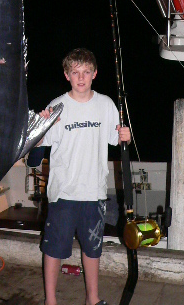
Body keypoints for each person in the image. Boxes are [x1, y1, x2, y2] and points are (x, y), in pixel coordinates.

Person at [37, 47, 131, 305]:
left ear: (95, 74)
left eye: (86, 72)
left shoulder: (106, 104)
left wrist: (126, 136)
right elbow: (37, 143)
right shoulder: (56, 106)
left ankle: (93, 299)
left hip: (94, 192)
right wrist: (41, 126)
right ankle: (51, 301)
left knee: (92, 249)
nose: (81, 77)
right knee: (54, 249)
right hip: (63, 192)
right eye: (75, 72)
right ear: (67, 75)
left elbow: (116, 138)